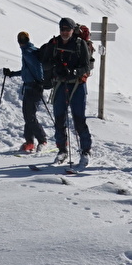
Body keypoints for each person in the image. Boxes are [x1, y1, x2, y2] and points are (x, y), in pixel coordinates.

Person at [39, 16, 94, 166]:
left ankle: (85, 150)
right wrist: (55, 68)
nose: (64, 32)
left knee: (79, 120)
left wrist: (74, 71)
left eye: (67, 29)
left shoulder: (80, 44)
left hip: (77, 85)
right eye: (62, 29)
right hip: (60, 85)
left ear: (72, 30)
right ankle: (62, 150)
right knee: (59, 119)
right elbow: (44, 62)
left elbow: (87, 65)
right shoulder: (54, 43)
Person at [2, 31, 47, 152]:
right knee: (28, 116)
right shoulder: (30, 50)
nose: (22, 42)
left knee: (30, 116)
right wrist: (12, 74)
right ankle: (29, 142)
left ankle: (42, 140)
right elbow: (27, 70)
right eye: (21, 40)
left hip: (33, 88)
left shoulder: (28, 52)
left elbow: (38, 68)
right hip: (30, 88)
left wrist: (40, 82)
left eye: (23, 40)